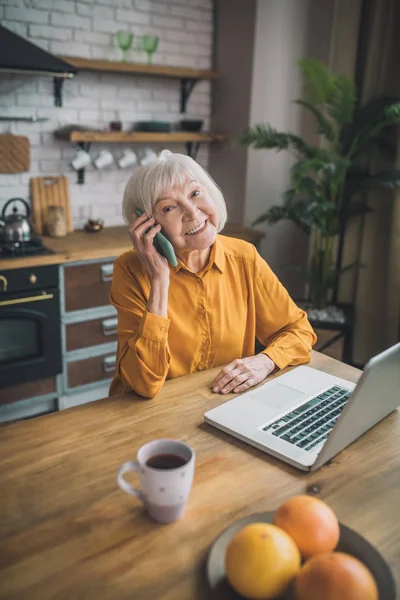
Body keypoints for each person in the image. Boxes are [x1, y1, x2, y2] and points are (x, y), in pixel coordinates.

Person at [110, 150, 316, 399]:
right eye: (169, 207)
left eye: (195, 193)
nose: (193, 212)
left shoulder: (243, 257)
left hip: (222, 406)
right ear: (147, 225)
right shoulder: (130, 270)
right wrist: (159, 279)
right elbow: (144, 384)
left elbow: (298, 330)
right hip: (150, 415)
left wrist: (265, 361)